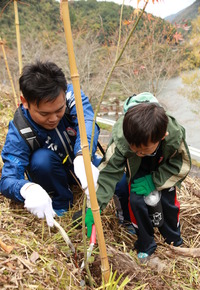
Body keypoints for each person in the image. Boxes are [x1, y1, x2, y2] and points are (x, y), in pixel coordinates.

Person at [85, 92, 191, 261]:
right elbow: (108, 173)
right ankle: (146, 243)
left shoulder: (173, 134)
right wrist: (94, 206)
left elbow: (183, 164)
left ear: (162, 136)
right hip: (137, 168)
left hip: (163, 165)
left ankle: (174, 239)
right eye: (135, 150)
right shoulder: (123, 138)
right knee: (136, 201)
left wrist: (155, 180)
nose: (139, 153)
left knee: (167, 201)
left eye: (143, 150)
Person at [0, 61, 100, 227]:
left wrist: (83, 155)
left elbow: (87, 123)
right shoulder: (20, 130)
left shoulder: (72, 95)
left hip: (81, 164)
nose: (53, 118)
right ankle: (61, 201)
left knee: (119, 180)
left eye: (59, 110)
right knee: (41, 160)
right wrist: (27, 189)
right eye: (44, 113)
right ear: (25, 102)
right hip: (51, 171)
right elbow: (8, 179)